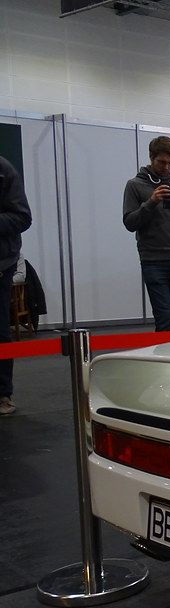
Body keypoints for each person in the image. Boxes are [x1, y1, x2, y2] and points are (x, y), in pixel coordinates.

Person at [122, 136, 170, 331]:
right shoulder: (135, 185)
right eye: (161, 162)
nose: (166, 167)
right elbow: (130, 223)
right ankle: (160, 359)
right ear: (151, 157)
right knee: (164, 317)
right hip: (153, 260)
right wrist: (151, 202)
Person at [0, 155, 32, 416]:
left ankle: (2, 394)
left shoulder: (3, 169)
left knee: (0, 330)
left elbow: (22, 217)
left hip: (1, 262)